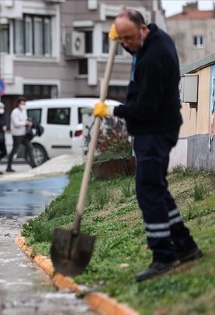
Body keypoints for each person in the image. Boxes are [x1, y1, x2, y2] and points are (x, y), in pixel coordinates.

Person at [93, 9, 203, 282]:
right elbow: (135, 49)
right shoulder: (152, 38)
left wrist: (113, 111)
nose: (127, 44)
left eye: (128, 38)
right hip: (153, 130)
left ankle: (164, 255)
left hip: (154, 130)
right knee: (157, 188)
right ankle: (186, 247)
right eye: (122, 40)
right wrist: (118, 39)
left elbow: (145, 109)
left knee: (148, 192)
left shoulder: (155, 58)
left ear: (142, 29)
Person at [6, 97, 37, 171]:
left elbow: (25, 120)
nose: (23, 105)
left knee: (29, 147)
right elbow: (16, 123)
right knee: (14, 150)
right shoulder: (15, 112)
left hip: (24, 133)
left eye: (24, 103)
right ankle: (9, 166)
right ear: (18, 103)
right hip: (17, 134)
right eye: (22, 103)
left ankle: (33, 164)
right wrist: (25, 123)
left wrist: (28, 123)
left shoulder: (23, 111)